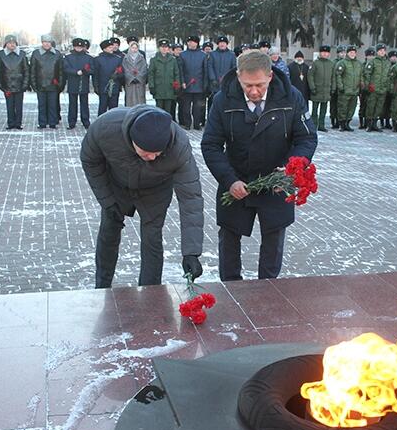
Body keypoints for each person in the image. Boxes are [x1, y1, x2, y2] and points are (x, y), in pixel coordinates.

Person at [201, 50, 317, 281]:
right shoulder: (223, 99)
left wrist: (290, 169)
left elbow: (306, 138)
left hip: (276, 181)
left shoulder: (290, 97)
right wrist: (229, 180)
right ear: (238, 76)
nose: (254, 91)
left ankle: (269, 291)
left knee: (274, 241)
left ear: (270, 76)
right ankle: (231, 289)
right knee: (229, 240)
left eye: (260, 85)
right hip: (237, 180)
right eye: (247, 85)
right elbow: (211, 145)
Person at [80, 105, 204, 288]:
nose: (152, 157)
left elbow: (191, 198)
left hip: (156, 190)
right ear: (132, 140)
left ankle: (150, 292)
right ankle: (102, 285)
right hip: (117, 185)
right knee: (109, 230)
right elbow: (90, 161)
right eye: (145, 152)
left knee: (152, 238)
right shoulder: (105, 128)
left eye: (157, 153)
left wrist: (191, 252)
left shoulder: (178, 146)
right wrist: (107, 200)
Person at [29, 34, 63, 129]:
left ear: (51, 43)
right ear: (42, 43)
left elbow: (60, 71)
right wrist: (34, 84)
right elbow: (32, 70)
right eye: (45, 42)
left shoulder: (57, 54)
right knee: (42, 105)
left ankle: (52, 122)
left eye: (48, 42)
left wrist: (59, 84)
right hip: (41, 84)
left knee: (53, 105)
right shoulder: (36, 54)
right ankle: (42, 123)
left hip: (53, 84)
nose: (47, 44)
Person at [0, 34, 29, 130]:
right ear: (6, 44)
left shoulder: (22, 54)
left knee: (19, 106)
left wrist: (25, 83)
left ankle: (18, 123)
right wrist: (0, 83)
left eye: (13, 43)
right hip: (7, 84)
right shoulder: (1, 54)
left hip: (19, 84)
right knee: (9, 105)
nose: (12, 45)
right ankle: (10, 123)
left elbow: (26, 69)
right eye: (9, 43)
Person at [63, 38, 93, 129]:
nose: (79, 48)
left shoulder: (89, 58)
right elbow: (66, 68)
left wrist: (86, 71)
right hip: (73, 82)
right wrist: (76, 72)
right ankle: (72, 122)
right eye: (77, 46)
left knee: (84, 103)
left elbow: (92, 69)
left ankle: (86, 121)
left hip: (84, 82)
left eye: (81, 47)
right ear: (74, 47)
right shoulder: (68, 57)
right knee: (72, 104)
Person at [179, 35, 206, 129]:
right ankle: (187, 124)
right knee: (186, 108)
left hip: (199, 85)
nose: (191, 43)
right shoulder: (183, 55)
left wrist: (204, 84)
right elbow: (180, 70)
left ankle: (196, 124)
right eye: (189, 42)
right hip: (187, 85)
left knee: (197, 108)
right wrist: (182, 82)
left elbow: (205, 71)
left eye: (193, 42)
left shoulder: (203, 55)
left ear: (197, 43)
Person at [149, 39, 180, 116]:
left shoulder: (173, 60)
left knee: (168, 111)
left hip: (169, 88)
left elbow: (176, 74)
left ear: (168, 49)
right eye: (162, 47)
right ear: (159, 48)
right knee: (159, 111)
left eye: (166, 47)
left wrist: (177, 86)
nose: (164, 49)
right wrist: (151, 86)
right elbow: (151, 74)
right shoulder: (154, 60)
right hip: (158, 88)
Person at [362, 44, 390, 132]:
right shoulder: (373, 61)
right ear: (377, 52)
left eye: (383, 50)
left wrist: (387, 86)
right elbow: (367, 74)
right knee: (371, 106)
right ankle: (369, 124)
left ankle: (375, 124)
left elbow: (389, 76)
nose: (382, 52)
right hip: (373, 89)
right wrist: (368, 86)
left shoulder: (387, 62)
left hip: (383, 89)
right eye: (380, 50)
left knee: (379, 107)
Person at [307, 45, 335, 132]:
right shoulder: (315, 63)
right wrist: (312, 87)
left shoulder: (331, 64)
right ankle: (314, 125)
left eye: (327, 53)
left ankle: (321, 125)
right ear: (320, 53)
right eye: (323, 52)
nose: (325, 54)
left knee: (324, 110)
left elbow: (333, 77)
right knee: (315, 110)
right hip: (317, 90)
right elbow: (310, 76)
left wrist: (333, 88)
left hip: (326, 91)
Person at [93, 39, 124, 116]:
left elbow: (122, 72)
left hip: (114, 87)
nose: (112, 48)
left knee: (113, 108)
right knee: (102, 108)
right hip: (103, 87)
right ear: (104, 49)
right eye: (110, 47)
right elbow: (95, 74)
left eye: (112, 47)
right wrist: (96, 86)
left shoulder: (118, 59)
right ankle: (101, 124)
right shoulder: (98, 59)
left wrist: (117, 76)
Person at [335, 45, 362, 131]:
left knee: (351, 108)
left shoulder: (358, 64)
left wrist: (361, 86)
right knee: (343, 107)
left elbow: (361, 76)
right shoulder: (342, 63)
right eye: (351, 52)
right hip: (345, 90)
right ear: (347, 53)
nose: (352, 54)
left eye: (354, 52)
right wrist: (340, 86)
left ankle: (347, 123)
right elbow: (338, 75)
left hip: (354, 91)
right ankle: (342, 124)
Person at [123, 40, 148, 106]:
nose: (134, 49)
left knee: (140, 99)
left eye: (136, 48)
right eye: (133, 48)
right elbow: (125, 69)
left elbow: (144, 69)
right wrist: (131, 78)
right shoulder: (125, 58)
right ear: (130, 48)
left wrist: (139, 77)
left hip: (139, 83)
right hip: (130, 83)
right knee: (130, 100)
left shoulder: (141, 58)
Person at [358, 47, 375, 129]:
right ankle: (361, 123)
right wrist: (363, 87)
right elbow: (361, 76)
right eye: (369, 55)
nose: (371, 57)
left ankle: (367, 122)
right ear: (366, 56)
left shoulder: (374, 65)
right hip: (364, 89)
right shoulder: (363, 65)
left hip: (372, 89)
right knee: (362, 106)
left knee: (370, 107)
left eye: (372, 55)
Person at [380, 50, 397, 129]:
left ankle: (387, 122)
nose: (394, 58)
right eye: (392, 57)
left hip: (392, 90)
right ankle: (381, 122)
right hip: (384, 89)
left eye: (395, 57)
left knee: (390, 107)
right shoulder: (386, 65)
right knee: (383, 106)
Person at [330, 45, 346, 128]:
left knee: (341, 106)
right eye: (341, 53)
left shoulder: (346, 62)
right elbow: (332, 76)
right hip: (334, 87)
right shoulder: (334, 62)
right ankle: (333, 120)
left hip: (343, 88)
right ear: (337, 54)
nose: (343, 54)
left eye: (344, 52)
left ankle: (339, 121)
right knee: (333, 105)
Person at [171, 43, 185, 122]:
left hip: (182, 84)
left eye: (180, 50)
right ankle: (172, 119)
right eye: (177, 50)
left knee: (182, 104)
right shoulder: (171, 59)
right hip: (173, 84)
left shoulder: (184, 59)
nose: (179, 51)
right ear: (173, 51)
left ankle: (182, 120)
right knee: (172, 104)